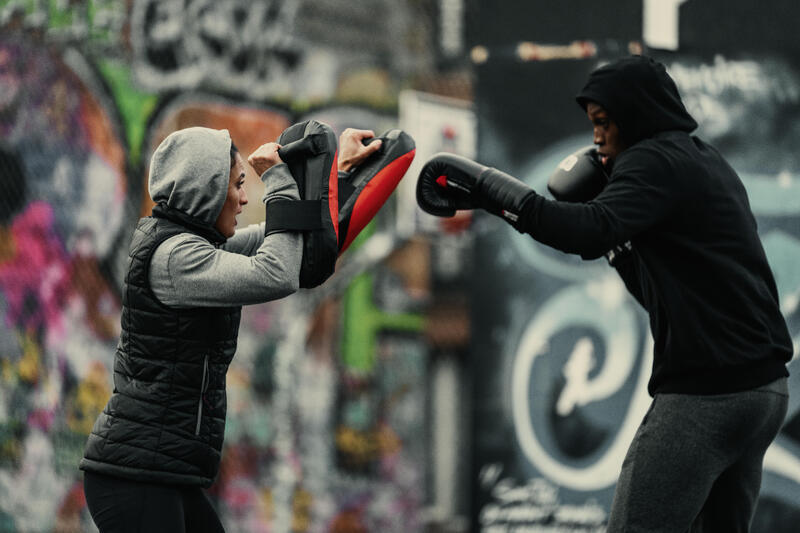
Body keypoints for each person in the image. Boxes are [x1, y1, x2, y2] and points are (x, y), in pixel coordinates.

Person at [416, 55, 792, 531]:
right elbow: (656, 292)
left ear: (633, 116)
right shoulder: (703, 160)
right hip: (761, 394)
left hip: (706, 397)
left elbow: (586, 232)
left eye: (602, 123)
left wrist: (490, 189)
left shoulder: (652, 159)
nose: (596, 138)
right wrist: (618, 242)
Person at [79, 125, 380, 532]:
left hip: (163, 471)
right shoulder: (175, 258)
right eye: (238, 185)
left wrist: (338, 173)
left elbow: (293, 244)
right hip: (137, 476)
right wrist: (276, 178)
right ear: (207, 190)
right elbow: (278, 272)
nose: (243, 198)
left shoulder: (194, 245)